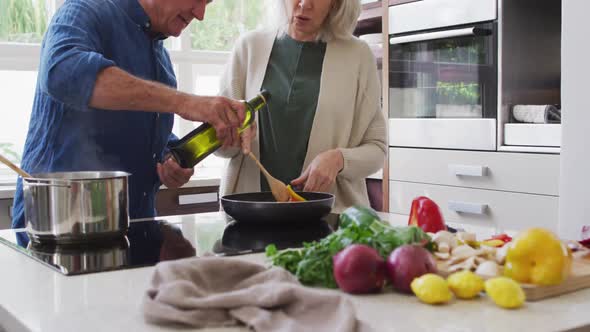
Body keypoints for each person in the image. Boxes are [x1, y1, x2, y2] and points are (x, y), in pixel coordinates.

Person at [11, 0, 246, 228]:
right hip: (56, 226)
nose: (201, 13)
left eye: (209, 3)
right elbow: (62, 72)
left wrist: (168, 159)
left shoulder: (162, 63)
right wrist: (187, 103)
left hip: (130, 229)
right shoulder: (85, 9)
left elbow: (142, 132)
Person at [217, 0, 386, 212]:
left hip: (330, 217)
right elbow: (221, 142)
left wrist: (339, 159)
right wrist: (227, 136)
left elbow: (377, 148)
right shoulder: (249, 47)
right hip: (250, 214)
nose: (305, 4)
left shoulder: (358, 55)